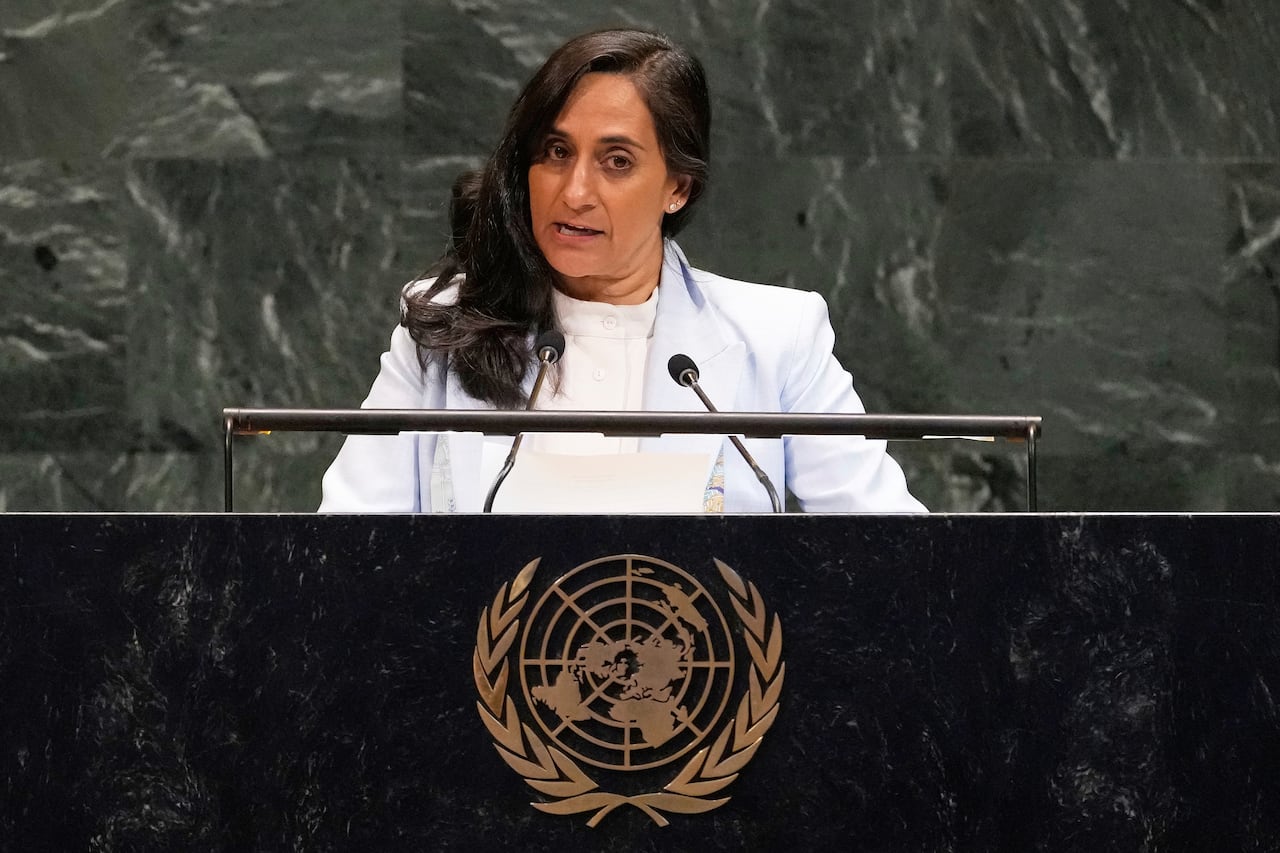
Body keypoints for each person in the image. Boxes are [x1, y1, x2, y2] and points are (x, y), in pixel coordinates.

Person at [320, 28, 924, 514]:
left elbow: (891, 554)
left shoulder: (777, 337)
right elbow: (344, 549)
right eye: (556, 153)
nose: (575, 191)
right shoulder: (445, 327)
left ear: (678, 188)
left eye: (616, 161)